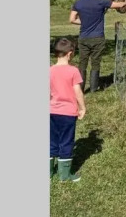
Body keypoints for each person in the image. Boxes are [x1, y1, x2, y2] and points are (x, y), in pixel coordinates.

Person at [70, 0, 126, 93]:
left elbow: (72, 19)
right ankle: (93, 89)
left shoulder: (78, 2)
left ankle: (81, 89)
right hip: (98, 38)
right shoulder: (101, 2)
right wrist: (125, 2)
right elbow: (117, 5)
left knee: (82, 63)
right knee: (95, 63)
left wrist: (83, 23)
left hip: (83, 37)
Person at [50, 38, 86, 182]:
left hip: (51, 111)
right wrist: (82, 107)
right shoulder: (73, 71)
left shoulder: (50, 70)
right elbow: (77, 91)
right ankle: (64, 175)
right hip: (68, 113)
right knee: (66, 141)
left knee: (51, 140)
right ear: (70, 54)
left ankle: (49, 171)